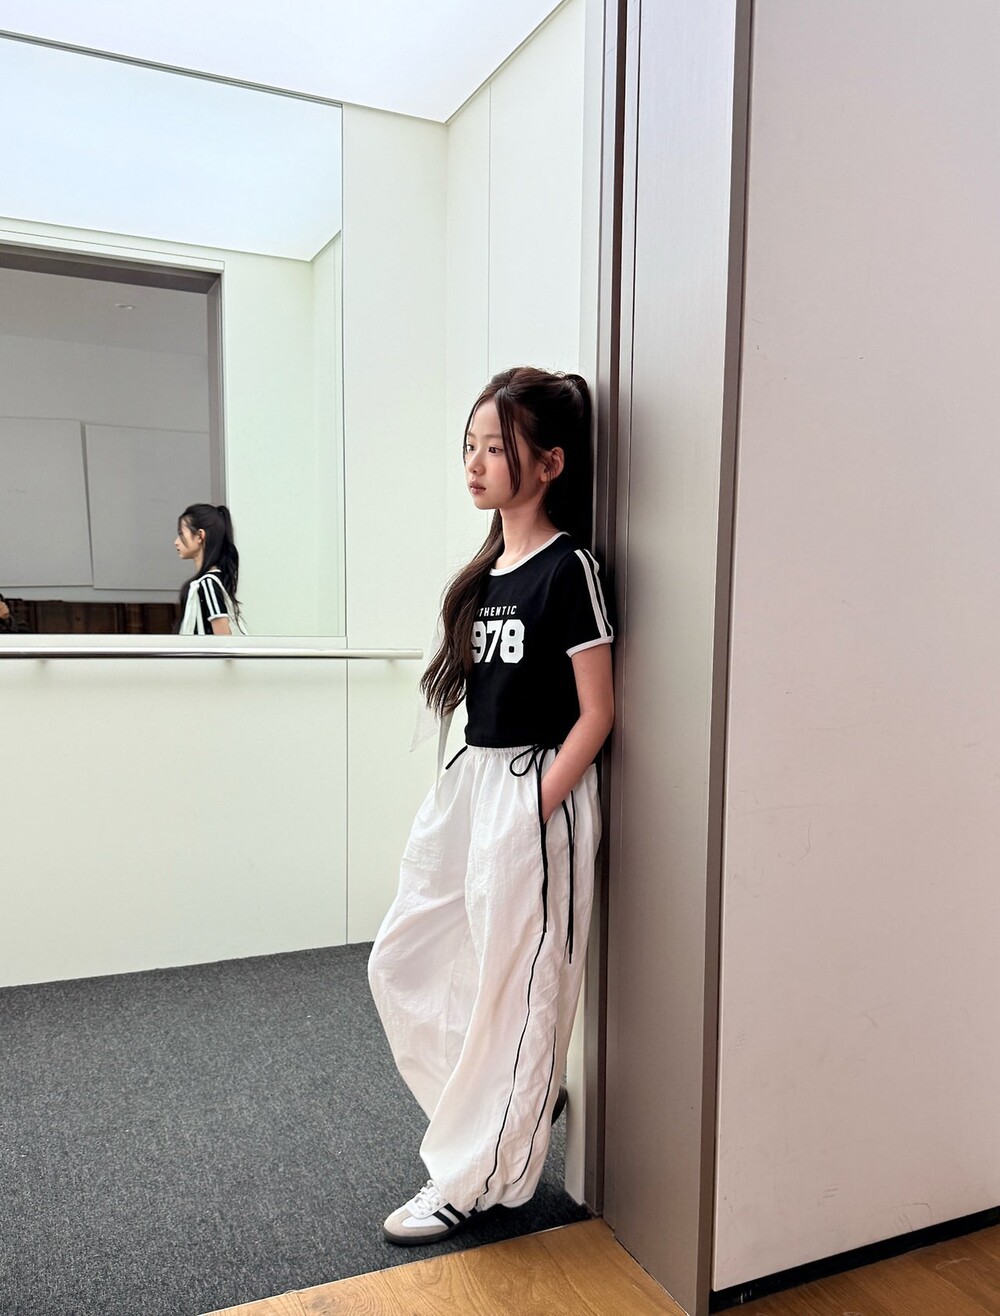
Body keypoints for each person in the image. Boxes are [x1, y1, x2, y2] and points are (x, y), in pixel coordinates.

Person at [368, 366, 614, 1246]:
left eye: (495, 449)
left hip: (531, 792)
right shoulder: (489, 571)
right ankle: (514, 1109)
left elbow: (598, 712)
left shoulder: (568, 568)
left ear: (548, 463)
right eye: (468, 447)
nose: (474, 464)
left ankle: (470, 1179)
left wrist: (533, 808)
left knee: (515, 989)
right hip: (471, 784)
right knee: (401, 959)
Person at [173, 503, 246, 636]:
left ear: (200, 536)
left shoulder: (208, 584)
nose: (176, 542)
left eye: (181, 533)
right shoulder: (213, 581)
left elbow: (223, 640)